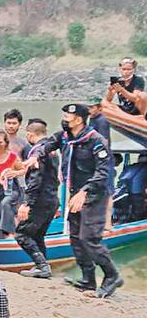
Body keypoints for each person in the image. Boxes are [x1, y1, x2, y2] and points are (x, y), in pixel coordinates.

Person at [30, 103, 123, 298]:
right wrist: (35, 157)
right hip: (74, 195)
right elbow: (46, 145)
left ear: (79, 119)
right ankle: (88, 279)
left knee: (89, 238)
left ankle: (112, 276)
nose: (64, 118)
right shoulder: (65, 137)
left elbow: (103, 172)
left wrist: (85, 192)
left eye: (67, 116)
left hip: (93, 196)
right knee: (75, 237)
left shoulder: (95, 141)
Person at [14, 119, 60, 278]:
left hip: (39, 200)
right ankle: (42, 266)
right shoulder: (52, 151)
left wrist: (27, 203)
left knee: (22, 234)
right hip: (52, 199)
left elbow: (36, 178)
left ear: (29, 134)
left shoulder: (37, 151)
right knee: (38, 235)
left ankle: (42, 266)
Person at [88, 96, 116, 230]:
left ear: (99, 108)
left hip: (105, 160)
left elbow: (103, 141)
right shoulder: (91, 119)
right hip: (94, 161)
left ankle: (108, 223)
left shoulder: (102, 120)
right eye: (88, 107)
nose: (90, 109)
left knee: (107, 191)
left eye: (92, 107)